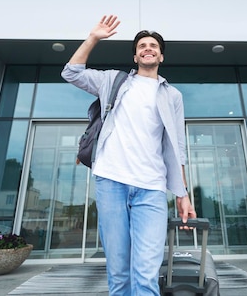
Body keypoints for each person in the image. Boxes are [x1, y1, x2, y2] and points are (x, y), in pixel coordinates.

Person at [61, 15, 196, 296]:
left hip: (152, 188)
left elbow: (177, 146)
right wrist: (94, 37)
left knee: (147, 272)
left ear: (161, 55)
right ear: (135, 56)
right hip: (111, 182)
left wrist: (182, 193)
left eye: (154, 45)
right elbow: (71, 72)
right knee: (119, 272)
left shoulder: (173, 95)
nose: (148, 48)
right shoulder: (113, 81)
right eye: (143, 45)